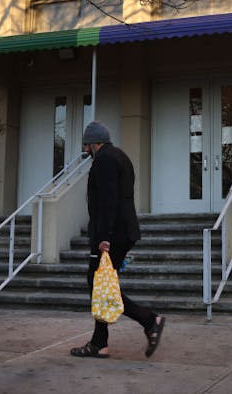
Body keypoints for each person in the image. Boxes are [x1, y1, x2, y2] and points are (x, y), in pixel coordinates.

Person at [70, 120, 166, 359]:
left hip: (112, 235)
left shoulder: (103, 160)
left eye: (86, 145)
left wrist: (103, 238)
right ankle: (100, 342)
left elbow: (108, 201)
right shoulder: (120, 156)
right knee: (101, 284)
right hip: (122, 232)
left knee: (98, 284)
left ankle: (149, 320)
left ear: (94, 143)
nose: (85, 150)